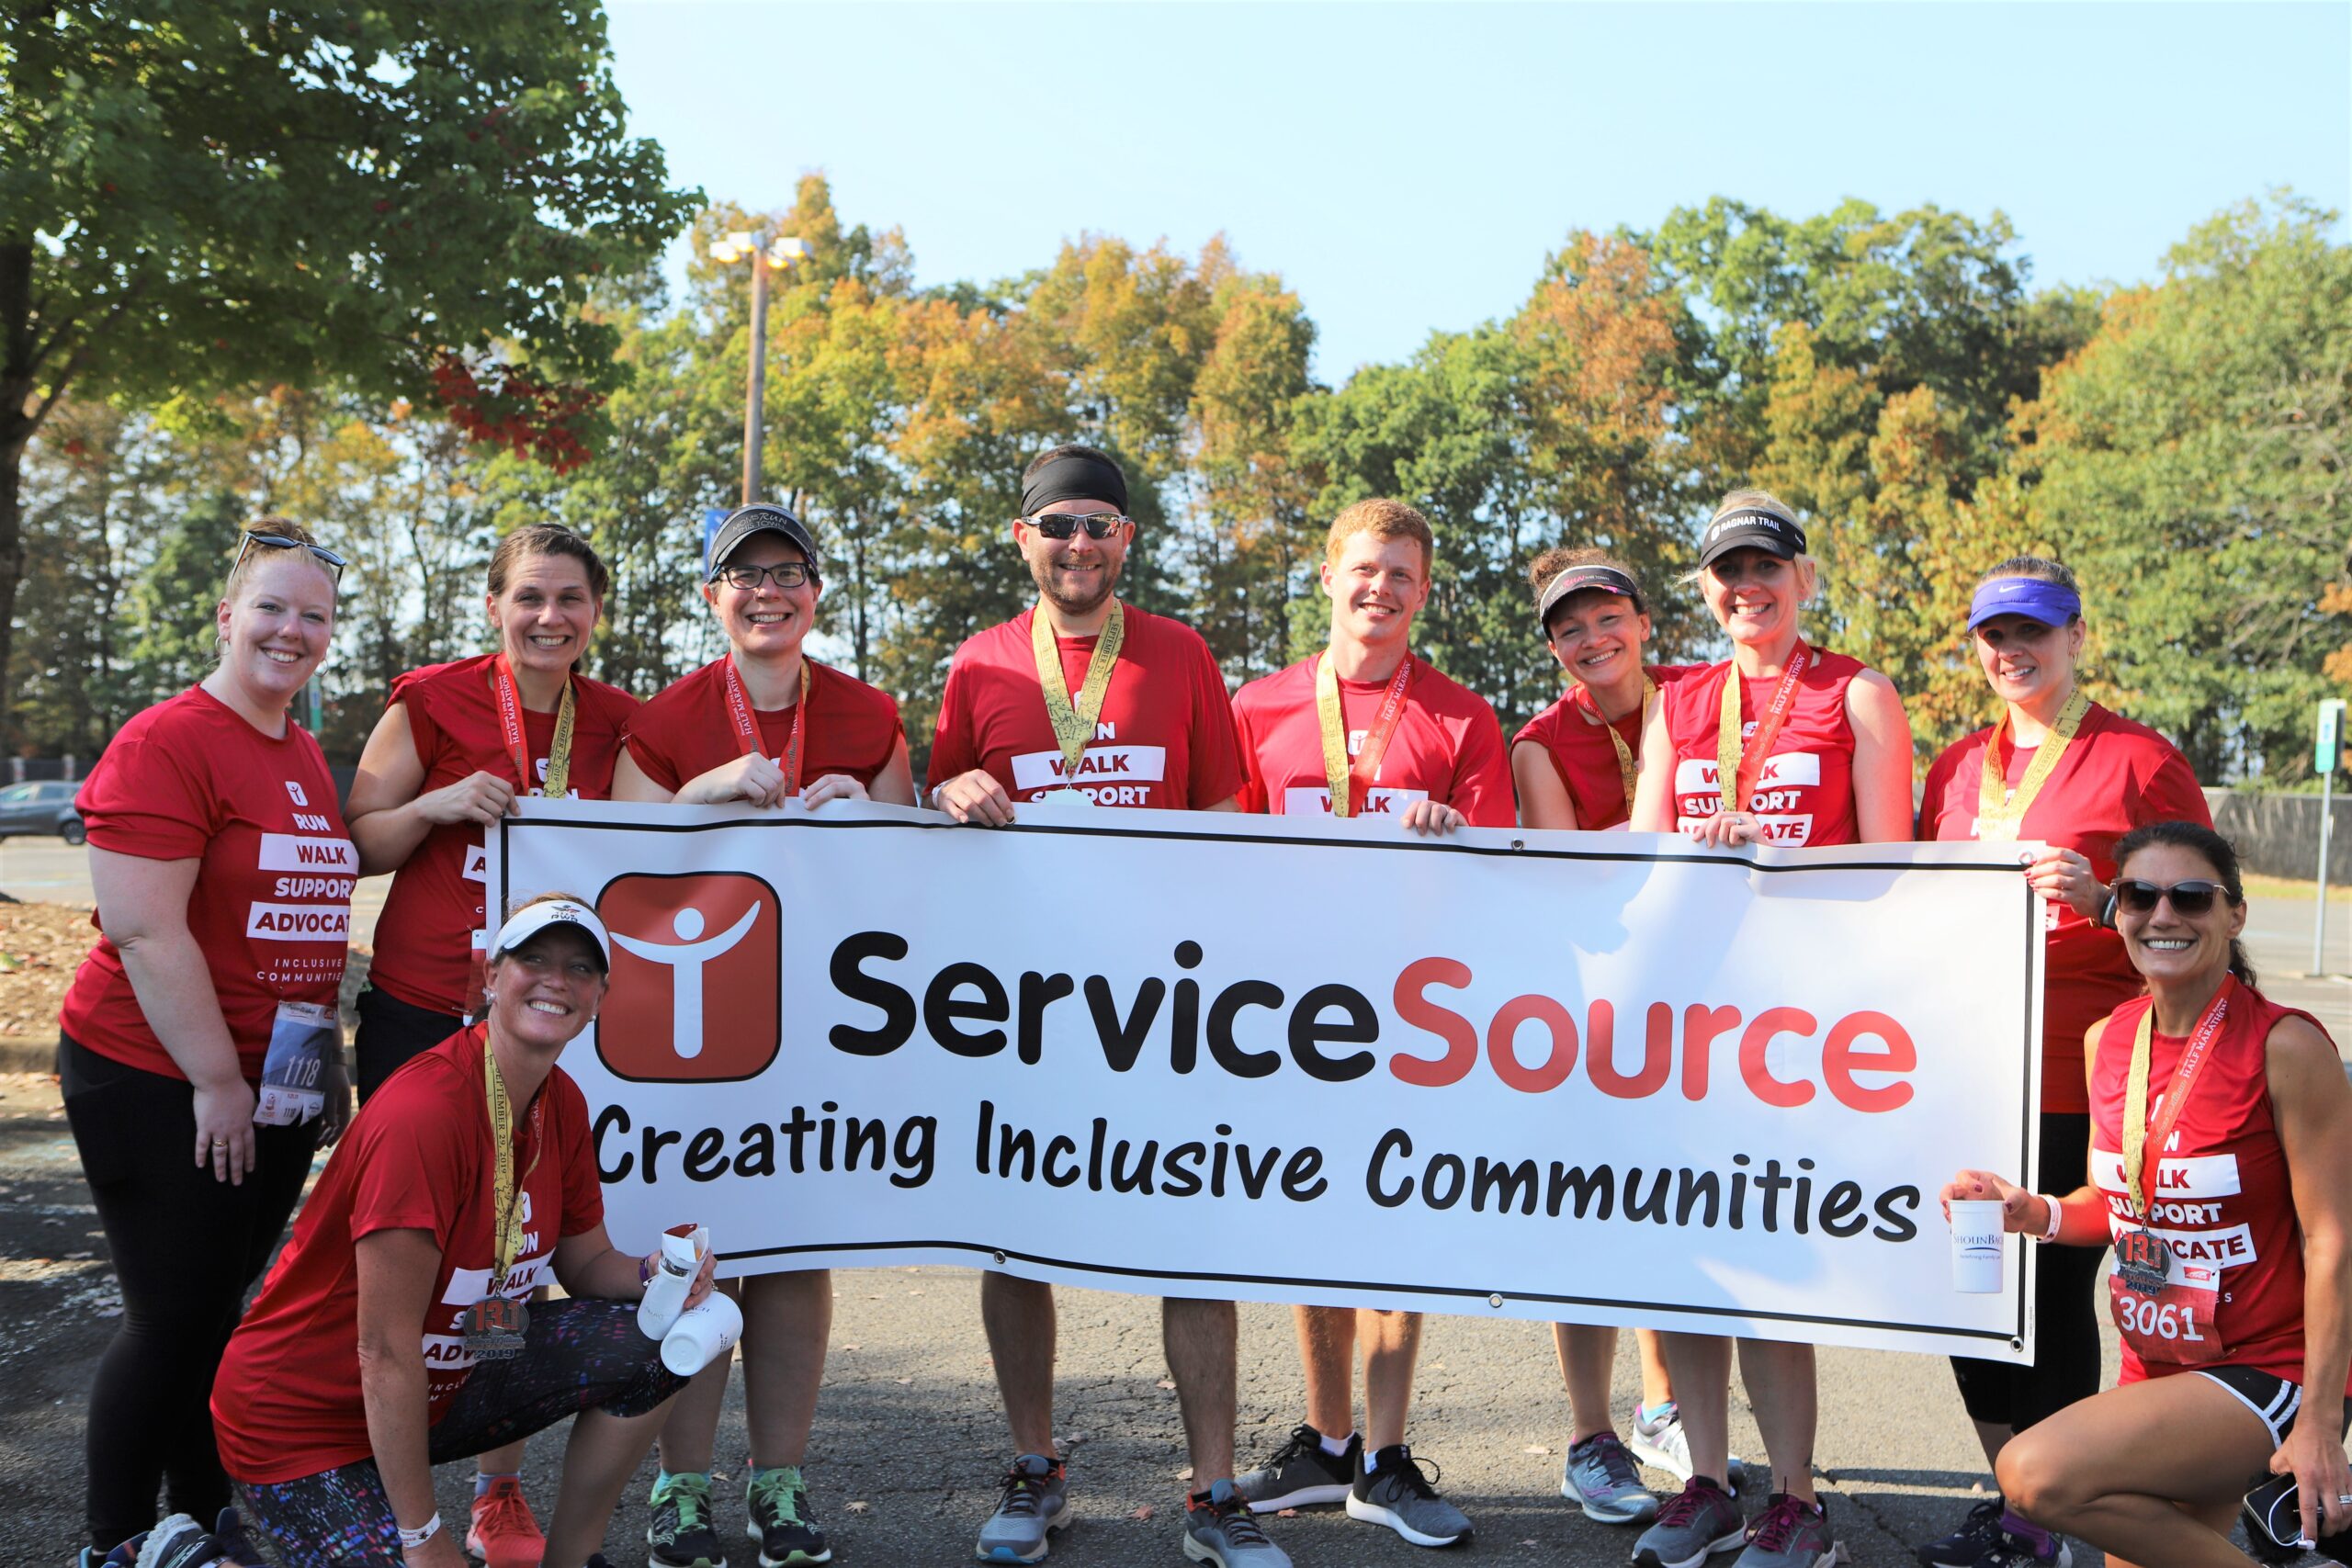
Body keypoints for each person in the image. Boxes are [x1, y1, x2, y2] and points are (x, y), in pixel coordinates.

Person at [928, 444, 1272, 1567]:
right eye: (1059, 524)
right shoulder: (977, 667)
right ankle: (1036, 1468)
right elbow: (925, 833)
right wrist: (945, 788)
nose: (1079, 544)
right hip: (1023, 1013)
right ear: (1021, 538)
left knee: (1193, 1246)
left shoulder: (1178, 654)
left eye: (1101, 527)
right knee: (1015, 1242)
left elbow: (1224, 822)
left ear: (1127, 542)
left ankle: (1214, 1490)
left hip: (1164, 1009)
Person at [209, 896, 718, 1568]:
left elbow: (588, 1259)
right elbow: (384, 1350)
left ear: (600, 995)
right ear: (489, 975)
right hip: (303, 1417)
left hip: (450, 1363)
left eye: (579, 968)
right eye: (532, 959)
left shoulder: (561, 1099)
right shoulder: (426, 1112)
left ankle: (572, 1557)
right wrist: (425, 1538)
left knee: (656, 1342)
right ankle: (193, 1555)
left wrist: (659, 1274)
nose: (556, 980)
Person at [612, 501, 913, 1568]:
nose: (768, 591)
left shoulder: (870, 713)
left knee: (796, 1258)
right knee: (695, 1260)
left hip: (822, 1032)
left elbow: (911, 892)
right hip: (695, 1034)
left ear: (816, 593)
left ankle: (779, 1485)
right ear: (713, 598)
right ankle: (681, 1490)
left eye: (789, 571)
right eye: (745, 576)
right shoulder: (668, 718)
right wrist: (700, 793)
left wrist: (865, 813)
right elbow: (617, 868)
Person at [1626, 490, 1915, 1568]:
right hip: (1689, 1026)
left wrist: (1780, 866)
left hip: (1802, 1029)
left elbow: (1894, 873)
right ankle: (1706, 1479)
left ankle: (1796, 1498)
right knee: (1688, 1262)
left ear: (1802, 580)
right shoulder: (1678, 699)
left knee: (1769, 1261)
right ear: (1705, 591)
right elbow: (1642, 856)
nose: (1746, 588)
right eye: (1726, 573)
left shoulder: (1858, 693)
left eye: (1766, 569)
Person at [57, 520, 356, 1557]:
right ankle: (114, 1538)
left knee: (225, 1312)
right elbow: (145, 928)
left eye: (312, 616)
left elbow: (303, 925)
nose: (291, 629)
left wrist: (323, 1071)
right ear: (228, 617)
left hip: (269, 1075)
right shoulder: (167, 738)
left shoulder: (301, 747)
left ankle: (204, 1513)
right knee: (173, 1317)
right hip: (155, 1071)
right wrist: (217, 1081)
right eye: (271, 608)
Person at [343, 522, 639, 1568]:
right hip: (426, 1009)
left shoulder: (616, 718)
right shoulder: (431, 698)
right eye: (529, 598)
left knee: (511, 1260)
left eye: (570, 599)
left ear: (596, 614)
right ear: (493, 606)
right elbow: (361, 839)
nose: (549, 617)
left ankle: (496, 1489)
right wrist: (431, 804)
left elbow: (667, 828)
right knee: (400, 1263)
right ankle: (384, 1487)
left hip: (539, 1010)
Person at [1943, 821, 2352, 1568]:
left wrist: (2322, 1420)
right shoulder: (2109, 1039)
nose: (2163, 915)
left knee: (2033, 1474)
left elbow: (2334, 1241)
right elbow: (2123, 1202)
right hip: (2157, 1362)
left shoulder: (2287, 1046)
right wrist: (2030, 1210)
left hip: (2267, 1372)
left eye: (2191, 895)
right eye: (2139, 894)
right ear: (2118, 910)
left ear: (2234, 914)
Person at [1913, 558, 2213, 1568]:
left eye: (2033, 632)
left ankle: (2044, 1519)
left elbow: (2201, 920)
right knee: (1961, 1290)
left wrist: (2100, 898)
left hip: (2082, 1075)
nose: (2012, 652)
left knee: (2044, 1295)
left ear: (2076, 636)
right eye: (1994, 636)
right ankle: (2013, 1494)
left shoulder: (2136, 759)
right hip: (1963, 1070)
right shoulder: (1955, 765)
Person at [1227, 499, 1509, 1549]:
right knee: (1308, 1228)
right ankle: (1327, 1441)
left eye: (1399, 573)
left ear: (1423, 590)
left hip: (1415, 1021)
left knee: (1396, 1228)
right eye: (1362, 569)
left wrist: (1456, 839)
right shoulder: (1256, 706)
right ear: (1328, 576)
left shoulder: (1462, 716)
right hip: (1291, 1022)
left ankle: (1385, 1459)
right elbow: (1215, 859)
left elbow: (1499, 877)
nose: (1378, 588)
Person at [1509, 547, 1718, 1528]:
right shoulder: (1539, 744)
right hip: (1595, 1009)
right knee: (1589, 1221)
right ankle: (1589, 1438)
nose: (1593, 640)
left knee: (1680, 1214)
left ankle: (1662, 1409)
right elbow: (1591, 882)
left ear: (1642, 622)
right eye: (1570, 629)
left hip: (1712, 1006)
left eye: (1608, 620)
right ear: (1553, 647)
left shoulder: (1701, 699)